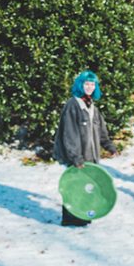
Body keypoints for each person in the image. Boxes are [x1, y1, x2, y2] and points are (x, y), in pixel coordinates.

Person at [52, 70, 118, 227]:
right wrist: (76, 157)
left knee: (87, 187)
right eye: (87, 84)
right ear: (80, 85)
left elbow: (101, 131)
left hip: (91, 157)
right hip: (77, 157)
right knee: (74, 187)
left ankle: (82, 216)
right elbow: (69, 134)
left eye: (92, 84)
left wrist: (109, 146)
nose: (90, 87)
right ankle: (69, 219)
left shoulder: (92, 107)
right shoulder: (73, 105)